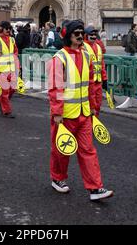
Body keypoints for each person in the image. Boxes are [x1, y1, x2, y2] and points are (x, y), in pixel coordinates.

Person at [48, 20, 114, 201]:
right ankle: (58, 178)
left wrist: (93, 107)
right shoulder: (59, 58)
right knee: (62, 151)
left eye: (81, 32)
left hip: (84, 113)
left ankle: (95, 188)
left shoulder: (86, 56)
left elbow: (91, 85)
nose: (80, 36)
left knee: (88, 150)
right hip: (65, 115)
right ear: (67, 35)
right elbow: (55, 88)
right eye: (76, 33)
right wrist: (57, 113)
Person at [0, 21, 20, 118]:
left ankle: (0, 101)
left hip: (11, 69)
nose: (8, 30)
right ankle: (7, 111)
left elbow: (15, 51)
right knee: (5, 91)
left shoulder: (12, 40)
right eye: (6, 28)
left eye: (9, 28)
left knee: (13, 89)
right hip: (1, 71)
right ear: (1, 28)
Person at [83, 26, 108, 117]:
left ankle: (95, 123)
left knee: (98, 104)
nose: (93, 36)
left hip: (98, 82)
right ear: (86, 35)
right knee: (90, 105)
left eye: (94, 34)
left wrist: (104, 79)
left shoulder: (98, 46)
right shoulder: (83, 47)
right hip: (88, 83)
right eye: (91, 34)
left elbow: (102, 64)